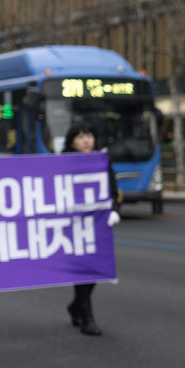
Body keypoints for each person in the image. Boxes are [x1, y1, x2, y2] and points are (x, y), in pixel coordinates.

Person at [61, 123, 120, 336]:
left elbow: (112, 189)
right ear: (71, 141)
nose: (86, 140)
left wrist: (114, 209)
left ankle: (76, 305)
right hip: (71, 224)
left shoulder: (102, 160)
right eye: (80, 136)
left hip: (96, 224)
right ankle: (87, 315)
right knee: (82, 268)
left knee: (94, 267)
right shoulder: (61, 163)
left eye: (89, 135)